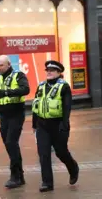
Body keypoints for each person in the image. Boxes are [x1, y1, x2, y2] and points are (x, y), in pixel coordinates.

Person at [32, 60, 79, 192]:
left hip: (58, 125)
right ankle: (47, 183)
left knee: (61, 152)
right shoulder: (41, 86)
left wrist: (64, 125)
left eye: (52, 70)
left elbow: (67, 107)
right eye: (48, 70)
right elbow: (36, 106)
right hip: (42, 125)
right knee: (43, 154)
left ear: (59, 73)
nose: (49, 72)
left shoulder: (64, 87)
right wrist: (34, 124)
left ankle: (73, 168)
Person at [0, 55, 30, 189]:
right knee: (9, 144)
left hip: (16, 113)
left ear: (9, 65)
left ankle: (15, 176)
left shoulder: (19, 75)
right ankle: (19, 175)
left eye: (1, 65)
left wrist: (7, 92)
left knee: (11, 142)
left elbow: (26, 89)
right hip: (3, 115)